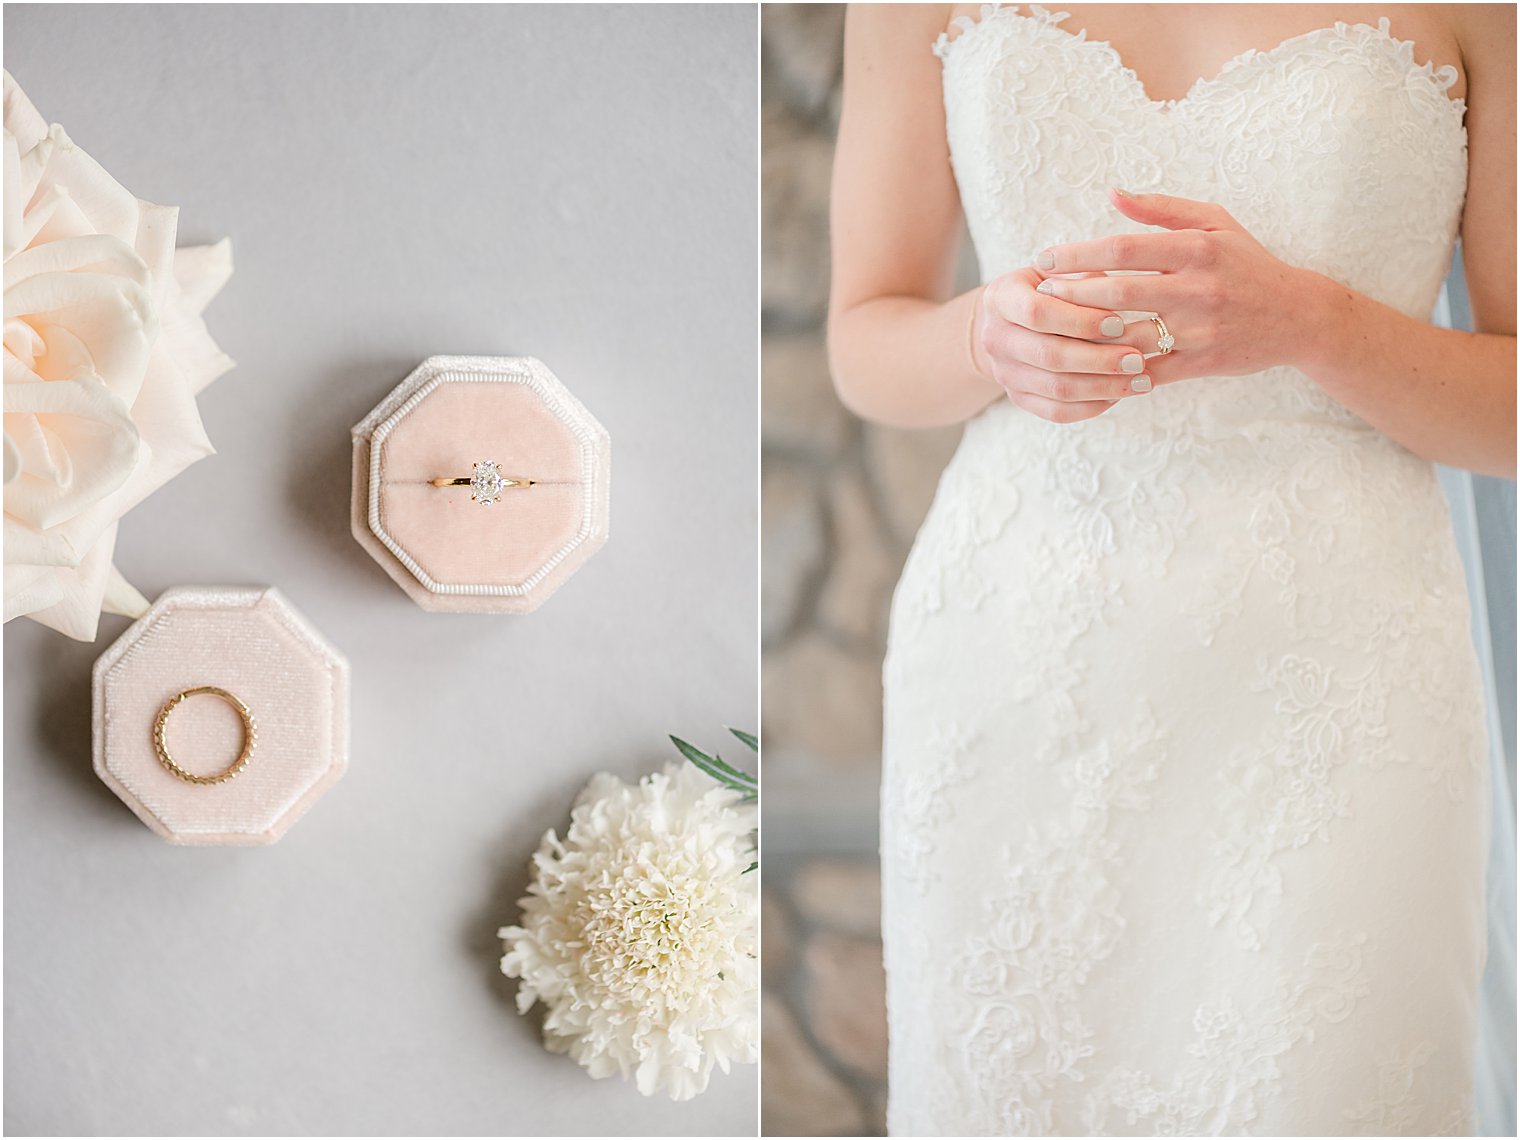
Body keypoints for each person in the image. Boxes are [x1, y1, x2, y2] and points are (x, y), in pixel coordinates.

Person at [827, 3, 1515, 1133]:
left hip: (1336, 673)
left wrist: (1312, 322)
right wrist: (979, 339)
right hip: (1022, 642)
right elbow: (865, 340)